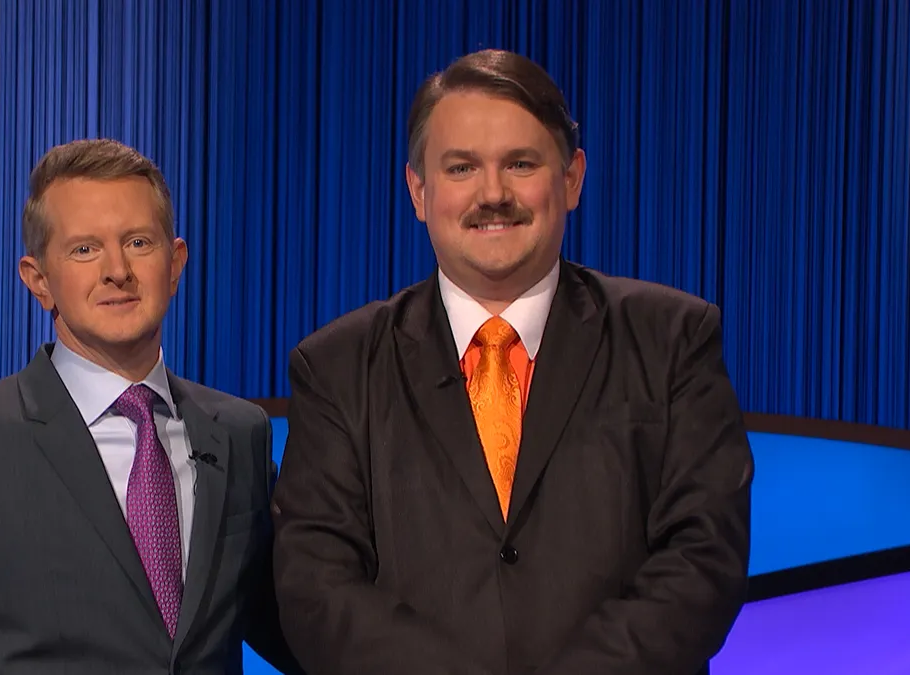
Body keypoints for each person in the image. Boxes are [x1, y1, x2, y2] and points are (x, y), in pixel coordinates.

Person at [271, 49, 753, 675]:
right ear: (419, 190)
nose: (492, 194)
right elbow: (317, 590)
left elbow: (702, 559)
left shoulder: (673, 339)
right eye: (462, 167)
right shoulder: (336, 366)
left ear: (572, 178)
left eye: (520, 164)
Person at [0, 139, 299, 675]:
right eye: (85, 249)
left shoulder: (238, 432)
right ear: (38, 280)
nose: (117, 270)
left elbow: (286, 620)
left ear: (176, 262)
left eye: (138, 241)